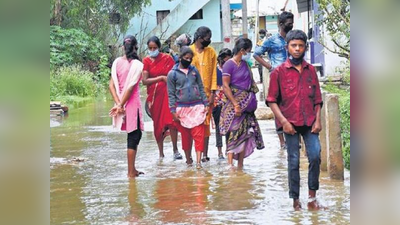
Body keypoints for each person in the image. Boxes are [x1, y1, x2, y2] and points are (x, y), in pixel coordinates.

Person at [266, 30, 324, 210]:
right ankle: (295, 201)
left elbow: (318, 99)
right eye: (294, 46)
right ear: (287, 48)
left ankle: (312, 198)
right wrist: (284, 122)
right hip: (289, 122)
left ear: (305, 47)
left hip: (309, 122)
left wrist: (318, 120)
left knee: (315, 156)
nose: (297, 49)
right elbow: (272, 100)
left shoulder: (311, 70)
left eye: (300, 46)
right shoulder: (278, 72)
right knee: (293, 160)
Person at [219, 38, 265, 170]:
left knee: (244, 135)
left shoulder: (246, 64)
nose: (249, 53)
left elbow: (251, 85)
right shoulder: (229, 64)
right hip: (234, 105)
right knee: (233, 133)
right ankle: (230, 166)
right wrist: (235, 104)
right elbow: (226, 86)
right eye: (248, 51)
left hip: (247, 106)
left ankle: (240, 166)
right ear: (242, 50)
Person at [253, 11, 294, 150]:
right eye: (289, 24)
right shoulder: (271, 40)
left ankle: (295, 138)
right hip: (278, 78)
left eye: (292, 23)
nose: (291, 26)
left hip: (293, 77)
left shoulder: (293, 39)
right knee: (279, 107)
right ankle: (282, 141)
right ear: (281, 24)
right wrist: (270, 67)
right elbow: (256, 54)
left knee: (294, 106)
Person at [167, 46, 209, 169]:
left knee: (199, 135)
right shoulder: (172, 74)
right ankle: (188, 159)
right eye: (186, 58)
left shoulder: (194, 71)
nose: (189, 61)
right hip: (182, 108)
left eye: (190, 59)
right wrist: (172, 110)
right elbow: (171, 93)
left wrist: (205, 103)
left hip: (197, 106)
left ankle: (198, 163)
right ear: (180, 58)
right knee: (185, 137)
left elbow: (200, 87)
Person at [142, 36, 183, 161]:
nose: (152, 50)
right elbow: (144, 81)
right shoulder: (146, 61)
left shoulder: (167, 58)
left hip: (169, 95)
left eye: (155, 48)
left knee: (172, 122)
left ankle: (175, 149)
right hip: (155, 97)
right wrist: (160, 78)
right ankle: (161, 153)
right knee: (158, 124)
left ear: (159, 47)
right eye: (150, 48)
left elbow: (174, 75)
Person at [109, 35, 144, 178]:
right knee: (134, 135)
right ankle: (130, 172)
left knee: (132, 136)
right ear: (136, 47)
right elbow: (130, 88)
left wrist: (118, 104)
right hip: (131, 104)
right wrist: (121, 105)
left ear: (123, 47)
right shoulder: (137, 65)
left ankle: (132, 169)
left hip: (121, 103)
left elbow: (111, 85)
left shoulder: (116, 62)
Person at [190, 26, 218, 162]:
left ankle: (204, 154)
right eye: (207, 39)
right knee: (193, 125)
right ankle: (193, 155)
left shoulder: (211, 52)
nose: (209, 41)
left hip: (207, 95)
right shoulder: (188, 51)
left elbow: (213, 73)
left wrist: (213, 93)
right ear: (199, 38)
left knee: (206, 125)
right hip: (191, 96)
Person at [213, 48, 232, 160]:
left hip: (229, 100)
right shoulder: (215, 71)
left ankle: (228, 149)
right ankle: (220, 151)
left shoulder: (231, 69)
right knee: (218, 128)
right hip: (217, 102)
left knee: (229, 126)